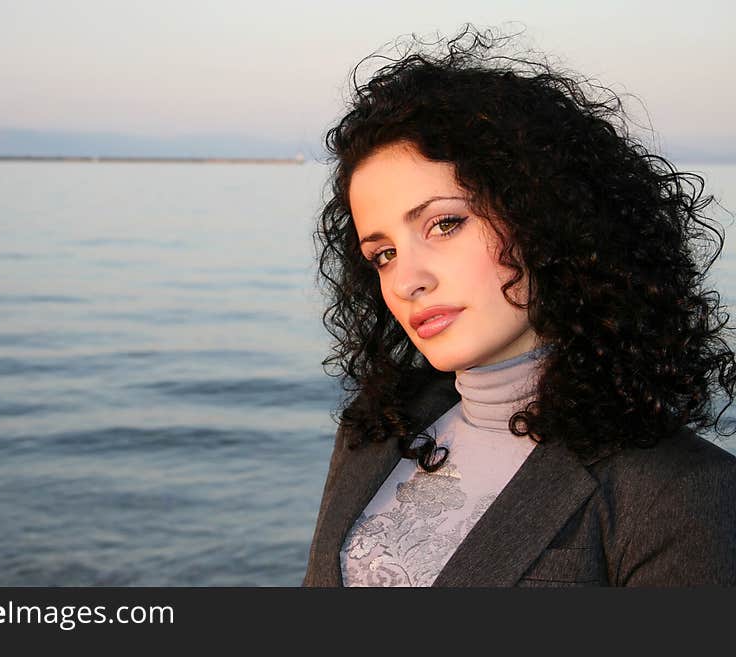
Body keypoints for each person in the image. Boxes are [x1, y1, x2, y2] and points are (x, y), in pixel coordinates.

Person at [302, 25, 736, 587]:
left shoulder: (682, 491)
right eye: (382, 253)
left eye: (445, 223)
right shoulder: (379, 427)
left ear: (544, 217)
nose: (407, 279)